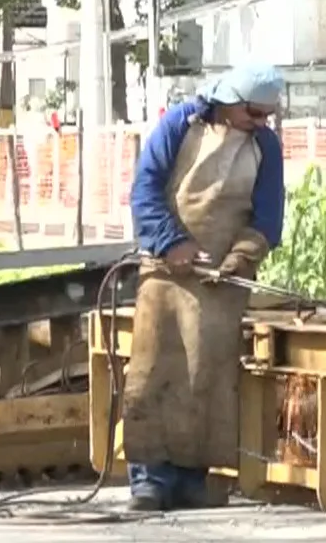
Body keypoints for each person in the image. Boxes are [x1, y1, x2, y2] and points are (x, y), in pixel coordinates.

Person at [121, 61, 286, 512]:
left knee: (206, 375)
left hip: (222, 282)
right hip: (165, 271)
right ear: (228, 103)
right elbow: (145, 190)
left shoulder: (265, 147)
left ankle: (193, 477)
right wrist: (172, 243)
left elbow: (269, 215)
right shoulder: (179, 125)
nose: (260, 123)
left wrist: (242, 254)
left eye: (266, 116)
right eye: (253, 114)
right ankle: (149, 479)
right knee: (155, 370)